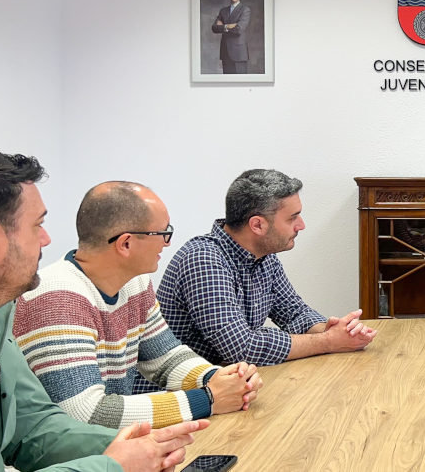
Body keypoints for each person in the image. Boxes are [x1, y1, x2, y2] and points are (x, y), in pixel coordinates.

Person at [0, 147, 208, 472]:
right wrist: (112, 466)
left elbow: (35, 428)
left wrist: (131, 448)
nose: (47, 240)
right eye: (37, 226)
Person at [13, 181, 263, 430]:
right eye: (163, 233)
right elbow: (85, 413)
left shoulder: (136, 283)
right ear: (126, 244)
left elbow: (166, 359)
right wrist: (208, 399)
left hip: (109, 447)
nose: (167, 243)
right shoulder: (56, 297)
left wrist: (219, 379)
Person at [153, 169, 377, 368]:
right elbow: (242, 348)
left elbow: (295, 313)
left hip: (225, 388)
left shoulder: (263, 257)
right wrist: (328, 341)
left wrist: (336, 331)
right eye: (292, 218)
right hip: (176, 397)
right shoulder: (203, 259)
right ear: (257, 225)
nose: (301, 225)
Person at [211, 0, 251, 74]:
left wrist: (223, 26)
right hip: (225, 53)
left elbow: (239, 29)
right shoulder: (223, 11)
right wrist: (228, 26)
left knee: (240, 84)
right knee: (227, 84)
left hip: (239, 54)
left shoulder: (245, 10)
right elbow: (214, 28)